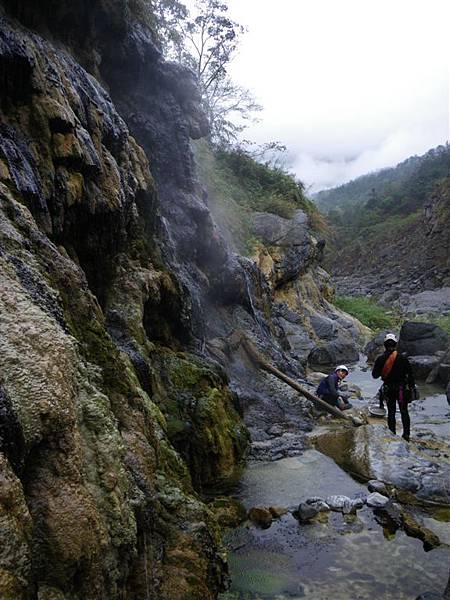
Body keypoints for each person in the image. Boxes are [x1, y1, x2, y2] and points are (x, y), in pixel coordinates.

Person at [372, 333, 415, 441]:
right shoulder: (403, 358)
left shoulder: (380, 359)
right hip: (401, 389)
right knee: (404, 411)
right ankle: (406, 435)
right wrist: (411, 388)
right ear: (395, 345)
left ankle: (392, 433)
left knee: (391, 411)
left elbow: (375, 375)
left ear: (384, 345)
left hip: (389, 389)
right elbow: (410, 375)